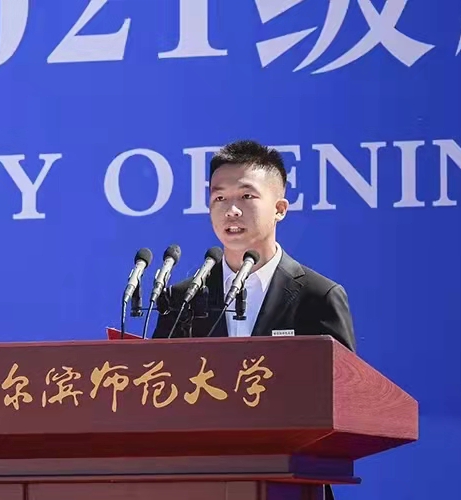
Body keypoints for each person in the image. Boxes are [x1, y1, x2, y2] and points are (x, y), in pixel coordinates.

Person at [150, 139, 356, 500]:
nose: (231, 211)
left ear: (280, 208)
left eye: (246, 197)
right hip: (199, 483)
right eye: (219, 198)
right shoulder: (183, 299)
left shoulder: (317, 297)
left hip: (291, 483)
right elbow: (155, 394)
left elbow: (345, 400)